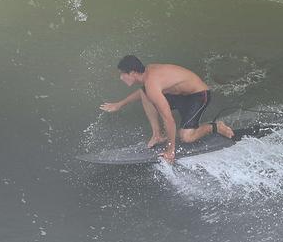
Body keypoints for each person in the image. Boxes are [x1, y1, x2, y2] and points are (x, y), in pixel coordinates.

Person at [99, 55, 234, 163]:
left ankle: (215, 127)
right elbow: (144, 92)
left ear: (133, 73)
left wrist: (171, 150)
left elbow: (169, 120)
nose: (121, 77)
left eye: (123, 74)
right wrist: (120, 104)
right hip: (182, 95)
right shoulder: (147, 74)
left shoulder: (152, 84)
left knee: (186, 137)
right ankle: (157, 135)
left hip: (199, 96)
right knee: (144, 93)